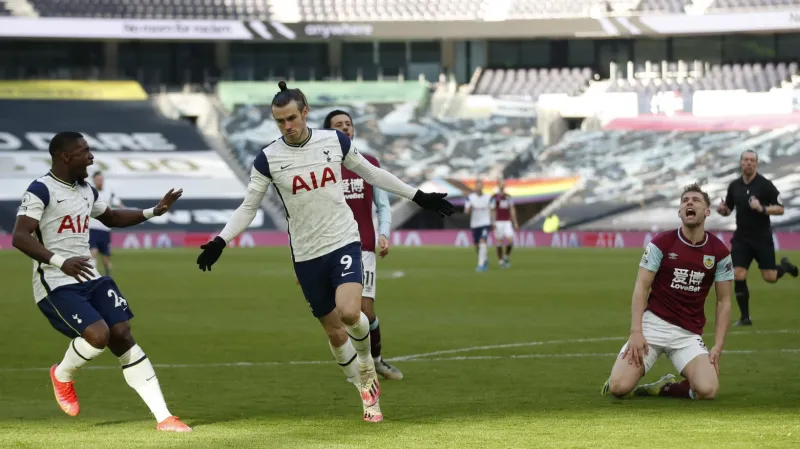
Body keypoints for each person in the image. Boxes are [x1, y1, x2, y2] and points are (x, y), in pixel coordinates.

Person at [196, 82, 453, 422]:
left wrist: (418, 196)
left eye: (292, 118)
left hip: (344, 241)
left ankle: (366, 367)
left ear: (305, 113)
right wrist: (220, 240)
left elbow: (372, 173)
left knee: (350, 313)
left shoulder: (334, 142)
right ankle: (364, 387)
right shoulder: (268, 158)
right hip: (305, 254)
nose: (287, 126)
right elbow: (248, 207)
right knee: (334, 332)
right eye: (280, 121)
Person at [11, 132, 190, 432]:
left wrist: (153, 211)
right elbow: (19, 235)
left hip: (90, 277)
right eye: (85, 151)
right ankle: (63, 375)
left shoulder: (85, 189)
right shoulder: (41, 190)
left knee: (122, 333)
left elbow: (112, 218)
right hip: (56, 282)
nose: (91, 157)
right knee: (98, 335)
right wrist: (60, 261)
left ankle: (165, 418)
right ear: (66, 157)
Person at [601, 183, 733, 401]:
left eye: (696, 200)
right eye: (684, 201)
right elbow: (641, 287)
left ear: (707, 211)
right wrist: (636, 331)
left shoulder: (719, 252)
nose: (689, 203)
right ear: (680, 212)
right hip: (653, 326)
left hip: (687, 334)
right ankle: (620, 372)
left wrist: (718, 344)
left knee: (708, 390)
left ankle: (666, 387)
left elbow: (724, 301)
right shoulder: (661, 243)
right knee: (618, 387)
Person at [324, 109, 404, 381]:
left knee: (365, 313)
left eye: (348, 124)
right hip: (332, 247)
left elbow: (382, 205)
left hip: (364, 247)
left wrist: (383, 233)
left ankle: (376, 361)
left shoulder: (368, 163)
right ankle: (357, 368)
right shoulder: (325, 168)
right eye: (338, 125)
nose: (345, 128)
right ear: (329, 132)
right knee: (341, 314)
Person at [717, 150, 798, 326]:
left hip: (762, 237)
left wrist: (762, 208)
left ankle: (785, 266)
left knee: (769, 276)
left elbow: (780, 208)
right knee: (738, 273)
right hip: (741, 238)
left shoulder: (765, 185)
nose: (749, 163)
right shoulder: (734, 186)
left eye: (752, 160)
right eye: (746, 160)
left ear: (756, 164)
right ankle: (745, 318)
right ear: (741, 163)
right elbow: (728, 209)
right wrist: (723, 210)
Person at [88, 171, 124, 276]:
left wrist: (123, 210)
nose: (100, 182)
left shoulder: (109, 192)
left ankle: (108, 277)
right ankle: (93, 278)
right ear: (94, 181)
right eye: (98, 180)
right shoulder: (90, 192)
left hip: (105, 229)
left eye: (101, 180)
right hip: (92, 228)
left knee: (106, 260)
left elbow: (118, 204)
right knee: (93, 252)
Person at [464, 178, 493, 272]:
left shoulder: (488, 197)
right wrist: (469, 209)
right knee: (477, 245)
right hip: (475, 224)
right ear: (475, 187)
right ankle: (484, 259)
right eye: (477, 185)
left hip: (485, 222)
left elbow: (493, 210)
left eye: (481, 185)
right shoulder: (470, 197)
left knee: (483, 241)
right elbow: (466, 211)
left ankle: (480, 264)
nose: (479, 187)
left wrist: (493, 221)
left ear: (482, 187)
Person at [491, 178, 519, 268]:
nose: (503, 185)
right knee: (499, 241)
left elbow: (512, 209)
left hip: (507, 221)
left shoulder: (508, 197)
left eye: (504, 184)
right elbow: (492, 210)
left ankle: (506, 256)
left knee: (511, 240)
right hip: (498, 221)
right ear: (498, 185)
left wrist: (515, 222)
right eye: (501, 184)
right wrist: (493, 222)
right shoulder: (494, 197)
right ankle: (500, 261)